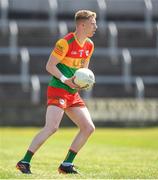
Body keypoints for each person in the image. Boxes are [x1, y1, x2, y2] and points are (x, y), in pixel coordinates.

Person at [16, 9, 97, 174]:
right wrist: (65, 80)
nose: (96, 26)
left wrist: (83, 82)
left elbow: (84, 69)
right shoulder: (65, 42)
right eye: (93, 23)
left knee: (88, 127)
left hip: (72, 92)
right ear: (82, 25)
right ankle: (24, 162)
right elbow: (50, 66)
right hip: (58, 89)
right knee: (52, 127)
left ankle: (66, 165)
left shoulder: (89, 45)